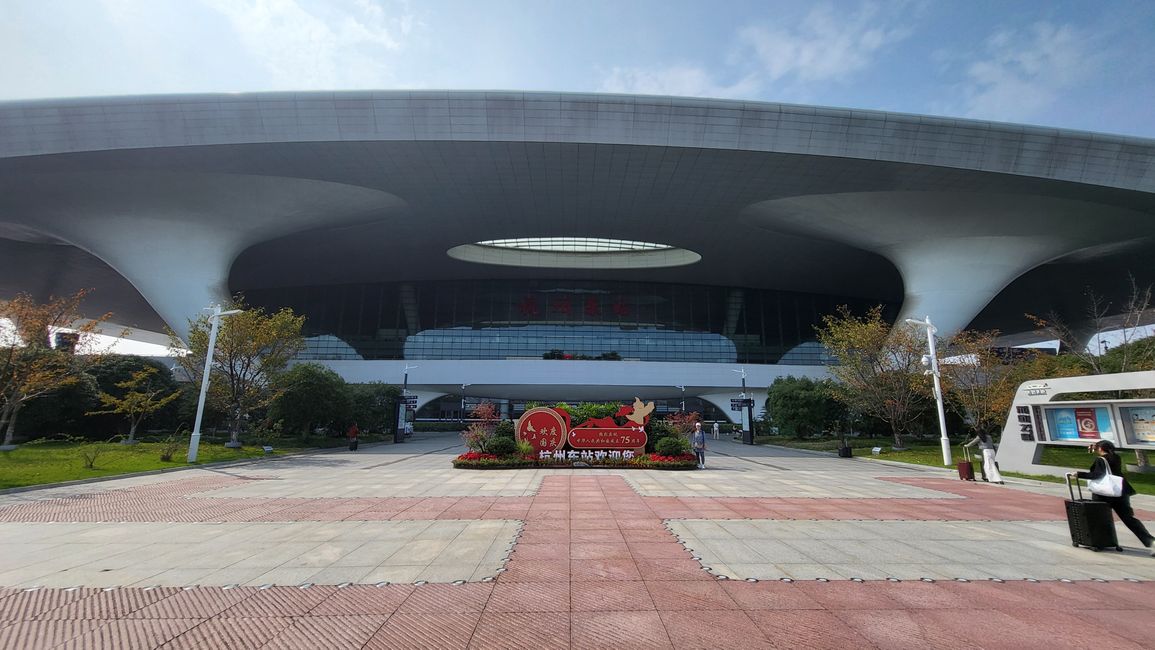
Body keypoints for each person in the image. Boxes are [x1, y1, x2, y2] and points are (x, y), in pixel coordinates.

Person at [1068, 440, 1154, 555]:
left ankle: (1099, 541)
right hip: (1120, 492)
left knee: (1098, 517)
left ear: (1100, 449)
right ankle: (1151, 541)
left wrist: (1078, 474)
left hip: (1104, 494)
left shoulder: (1101, 460)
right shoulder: (1116, 457)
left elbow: (1097, 475)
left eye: (1097, 448)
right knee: (1129, 519)